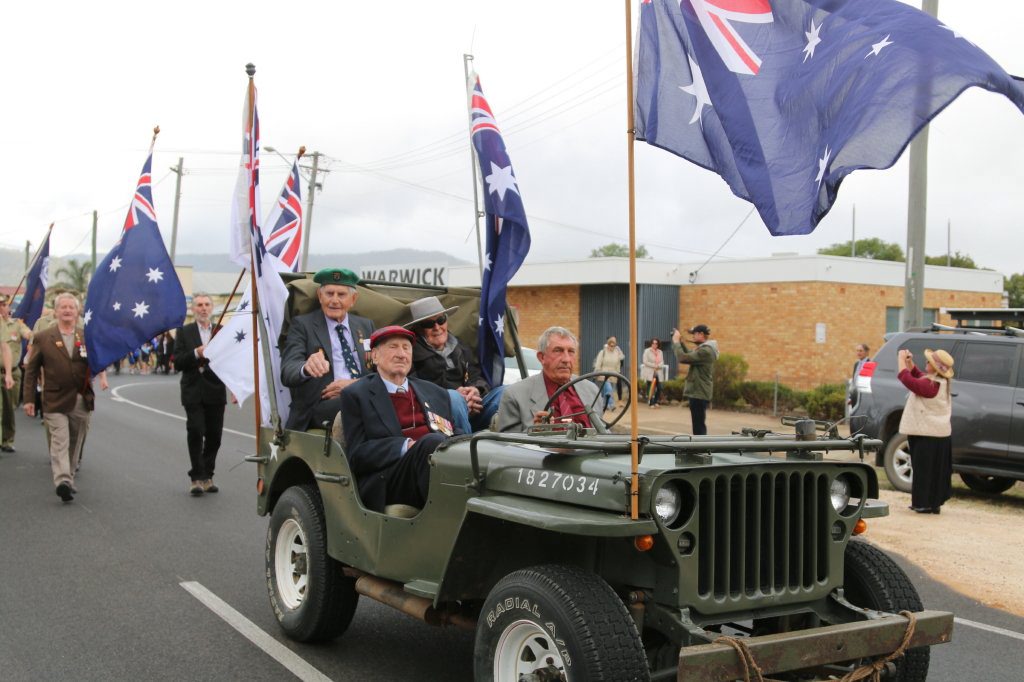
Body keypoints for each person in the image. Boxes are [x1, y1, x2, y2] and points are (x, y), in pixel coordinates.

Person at [340, 325, 461, 513]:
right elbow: (357, 455)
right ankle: (449, 515)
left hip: (437, 464)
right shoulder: (356, 395)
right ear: (375, 356)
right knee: (432, 442)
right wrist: (406, 446)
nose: (401, 354)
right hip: (390, 476)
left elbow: (454, 433)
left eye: (406, 348)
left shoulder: (436, 393)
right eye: (393, 347)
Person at [22, 293, 108, 502]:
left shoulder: (86, 336)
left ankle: (68, 478)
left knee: (75, 441)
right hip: (54, 398)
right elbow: (31, 370)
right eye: (63, 307)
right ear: (56, 311)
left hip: (80, 397)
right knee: (60, 440)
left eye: (71, 307)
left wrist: (102, 375)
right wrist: (29, 399)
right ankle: (61, 480)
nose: (67, 310)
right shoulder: (44, 337)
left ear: (77, 311)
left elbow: (97, 361)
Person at [281, 268, 376, 431]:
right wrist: (306, 368)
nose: (334, 300)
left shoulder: (366, 326)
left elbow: (379, 369)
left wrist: (356, 385)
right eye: (329, 294)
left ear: (353, 299)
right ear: (319, 296)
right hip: (320, 406)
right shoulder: (303, 325)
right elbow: (288, 370)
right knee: (362, 405)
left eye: (341, 295)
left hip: (362, 395)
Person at [405, 295, 504, 433]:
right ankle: (465, 449)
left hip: (471, 409)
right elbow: (414, 389)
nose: (437, 327)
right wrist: (452, 397)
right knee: (454, 397)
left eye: (441, 320)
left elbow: (477, 377)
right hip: (436, 416)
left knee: (506, 392)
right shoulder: (410, 353)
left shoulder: (461, 347)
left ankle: (512, 444)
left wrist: (475, 391)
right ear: (419, 329)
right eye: (428, 324)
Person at [497, 326, 602, 433]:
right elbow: (508, 445)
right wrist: (534, 432)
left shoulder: (591, 391)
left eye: (571, 351)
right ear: (541, 357)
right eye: (558, 351)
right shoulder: (515, 395)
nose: (566, 359)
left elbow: (603, 434)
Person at [174, 293, 227, 496]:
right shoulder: (184, 332)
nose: (203, 308)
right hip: (193, 390)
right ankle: (196, 477)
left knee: (215, 436)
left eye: (206, 304)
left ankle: (208, 475)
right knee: (196, 431)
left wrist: (237, 389)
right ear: (193, 309)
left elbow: (231, 362)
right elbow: (177, 361)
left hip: (215, 390)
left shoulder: (221, 331)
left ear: (212, 308)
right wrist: (196, 353)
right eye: (199, 305)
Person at [897, 347, 954, 514]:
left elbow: (909, 381)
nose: (926, 363)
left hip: (926, 434)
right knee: (936, 471)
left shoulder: (930, 385)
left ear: (935, 367)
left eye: (929, 362)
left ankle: (922, 503)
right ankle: (933, 503)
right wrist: (909, 363)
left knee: (923, 470)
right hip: (940, 434)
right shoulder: (938, 382)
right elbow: (918, 375)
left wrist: (900, 360)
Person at [672, 324, 719, 435]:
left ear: (701, 334)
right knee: (698, 424)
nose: (692, 336)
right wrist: (681, 343)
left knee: (698, 426)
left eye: (694, 334)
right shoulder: (704, 349)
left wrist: (676, 342)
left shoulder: (705, 351)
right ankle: (699, 447)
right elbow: (689, 354)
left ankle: (700, 448)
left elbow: (683, 358)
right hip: (699, 391)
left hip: (699, 392)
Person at [0, 294, 31, 452]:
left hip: (11, 372)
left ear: (8, 307)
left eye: (4, 304)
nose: (1, 307)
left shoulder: (17, 325)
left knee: (9, 409)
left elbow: (29, 335)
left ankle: (7, 439)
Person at [592, 336, 624, 411]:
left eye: (613, 345)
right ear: (608, 344)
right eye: (610, 345)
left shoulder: (617, 353)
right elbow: (598, 363)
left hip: (613, 375)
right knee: (609, 389)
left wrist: (618, 373)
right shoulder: (603, 352)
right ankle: (611, 404)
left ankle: (603, 405)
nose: (611, 347)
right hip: (603, 374)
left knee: (606, 392)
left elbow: (618, 363)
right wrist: (597, 371)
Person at [641, 338, 664, 409]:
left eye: (656, 343)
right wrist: (654, 365)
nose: (655, 345)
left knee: (660, 388)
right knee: (650, 388)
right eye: (653, 343)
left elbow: (662, 362)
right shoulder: (647, 351)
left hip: (658, 372)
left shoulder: (660, 352)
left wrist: (658, 366)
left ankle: (656, 401)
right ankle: (651, 402)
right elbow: (645, 361)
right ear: (651, 344)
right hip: (649, 372)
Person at [847, 343, 871, 407]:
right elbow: (854, 381)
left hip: (864, 397)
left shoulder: (870, 364)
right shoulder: (856, 364)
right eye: (857, 351)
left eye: (861, 351)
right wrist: (850, 397)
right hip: (855, 395)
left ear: (866, 352)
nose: (858, 353)